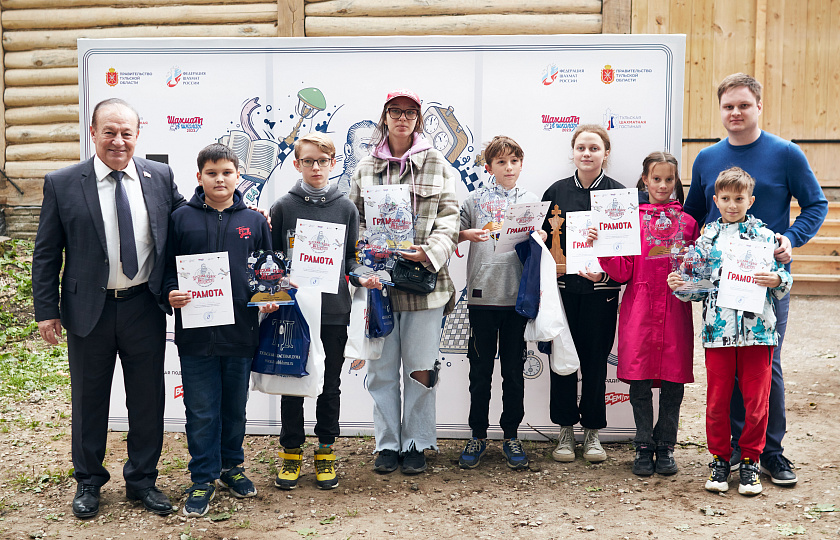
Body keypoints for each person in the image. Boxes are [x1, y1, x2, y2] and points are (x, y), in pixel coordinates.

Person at [32, 98, 185, 518]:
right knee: (89, 399)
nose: (119, 141)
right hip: (87, 309)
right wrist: (47, 309)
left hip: (144, 307)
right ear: (93, 133)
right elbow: (46, 253)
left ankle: (142, 481)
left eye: (127, 133)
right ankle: (88, 482)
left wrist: (243, 214)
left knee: (147, 400)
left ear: (138, 135)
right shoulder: (63, 182)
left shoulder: (160, 177)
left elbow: (186, 224)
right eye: (110, 132)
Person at [684, 73, 828, 486]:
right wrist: (678, 257)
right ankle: (730, 451)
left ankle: (770, 453)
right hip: (719, 288)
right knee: (727, 365)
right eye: (728, 106)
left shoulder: (785, 153)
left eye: (743, 105)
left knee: (766, 366)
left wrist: (790, 239)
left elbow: (816, 203)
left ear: (758, 107)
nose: (735, 113)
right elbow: (694, 215)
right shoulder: (707, 159)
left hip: (765, 282)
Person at [349, 89, 459, 475]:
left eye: (410, 113)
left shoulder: (437, 164)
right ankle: (387, 444)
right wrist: (367, 259)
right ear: (385, 117)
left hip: (426, 284)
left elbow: (451, 216)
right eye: (395, 111)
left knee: (420, 369)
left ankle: (417, 442)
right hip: (380, 288)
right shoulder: (364, 168)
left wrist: (430, 251)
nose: (402, 118)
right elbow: (355, 220)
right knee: (380, 371)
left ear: (418, 119)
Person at [164, 144, 275, 517]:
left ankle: (231, 467)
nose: (220, 179)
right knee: (201, 410)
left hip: (240, 332)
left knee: (234, 408)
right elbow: (165, 270)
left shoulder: (256, 222)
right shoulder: (181, 219)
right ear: (199, 177)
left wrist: (269, 297)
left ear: (237, 175)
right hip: (195, 336)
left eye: (227, 172)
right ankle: (201, 478)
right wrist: (170, 293)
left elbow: (268, 273)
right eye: (212, 173)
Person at [670, 167, 792, 496]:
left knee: (756, 402)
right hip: (718, 332)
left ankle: (751, 460)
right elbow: (699, 288)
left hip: (758, 332)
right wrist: (681, 286)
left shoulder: (766, 236)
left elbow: (783, 280)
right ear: (716, 200)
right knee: (717, 401)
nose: (732, 204)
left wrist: (777, 280)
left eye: (739, 198)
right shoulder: (707, 238)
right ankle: (721, 460)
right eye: (726, 198)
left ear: (750, 200)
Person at [269, 133, 377, 490]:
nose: (316, 167)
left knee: (330, 386)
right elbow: (273, 261)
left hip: (333, 311)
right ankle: (291, 452)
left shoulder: (346, 208)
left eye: (323, 161)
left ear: (333, 163)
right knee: (293, 383)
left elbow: (350, 259)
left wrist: (363, 276)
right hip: (294, 312)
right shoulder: (283, 206)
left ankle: (326, 450)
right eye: (308, 161)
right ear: (297, 164)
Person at [595, 151, 699, 476]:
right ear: (645, 180)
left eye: (669, 179)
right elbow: (623, 271)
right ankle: (643, 444)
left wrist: (692, 275)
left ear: (676, 182)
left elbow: (697, 271)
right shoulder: (631, 220)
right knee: (639, 381)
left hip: (675, 312)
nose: (663, 185)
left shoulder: (689, 223)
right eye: (657, 179)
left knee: (673, 382)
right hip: (639, 310)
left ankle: (666, 444)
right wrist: (604, 248)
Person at [456, 135, 547, 471]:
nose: (509, 168)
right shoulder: (473, 200)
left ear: (521, 164)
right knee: (479, 373)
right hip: (481, 297)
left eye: (514, 161)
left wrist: (539, 238)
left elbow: (539, 245)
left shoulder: (532, 200)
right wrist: (471, 234)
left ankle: (511, 435)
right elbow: (453, 233)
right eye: (501, 162)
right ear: (489, 166)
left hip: (516, 300)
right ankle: (477, 434)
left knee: (513, 372)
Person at [540, 124, 624, 463]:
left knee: (594, 364)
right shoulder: (556, 191)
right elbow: (540, 240)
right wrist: (541, 241)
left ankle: (592, 432)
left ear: (606, 153)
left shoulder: (618, 194)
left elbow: (626, 250)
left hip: (601, 292)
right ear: (573, 152)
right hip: (562, 292)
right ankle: (564, 430)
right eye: (581, 148)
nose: (587, 153)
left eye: (594, 148)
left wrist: (602, 241)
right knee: (562, 362)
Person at [334, 119, 376, 195]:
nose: (373, 153)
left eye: (378, 147)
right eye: (365, 146)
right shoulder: (330, 191)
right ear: (348, 150)